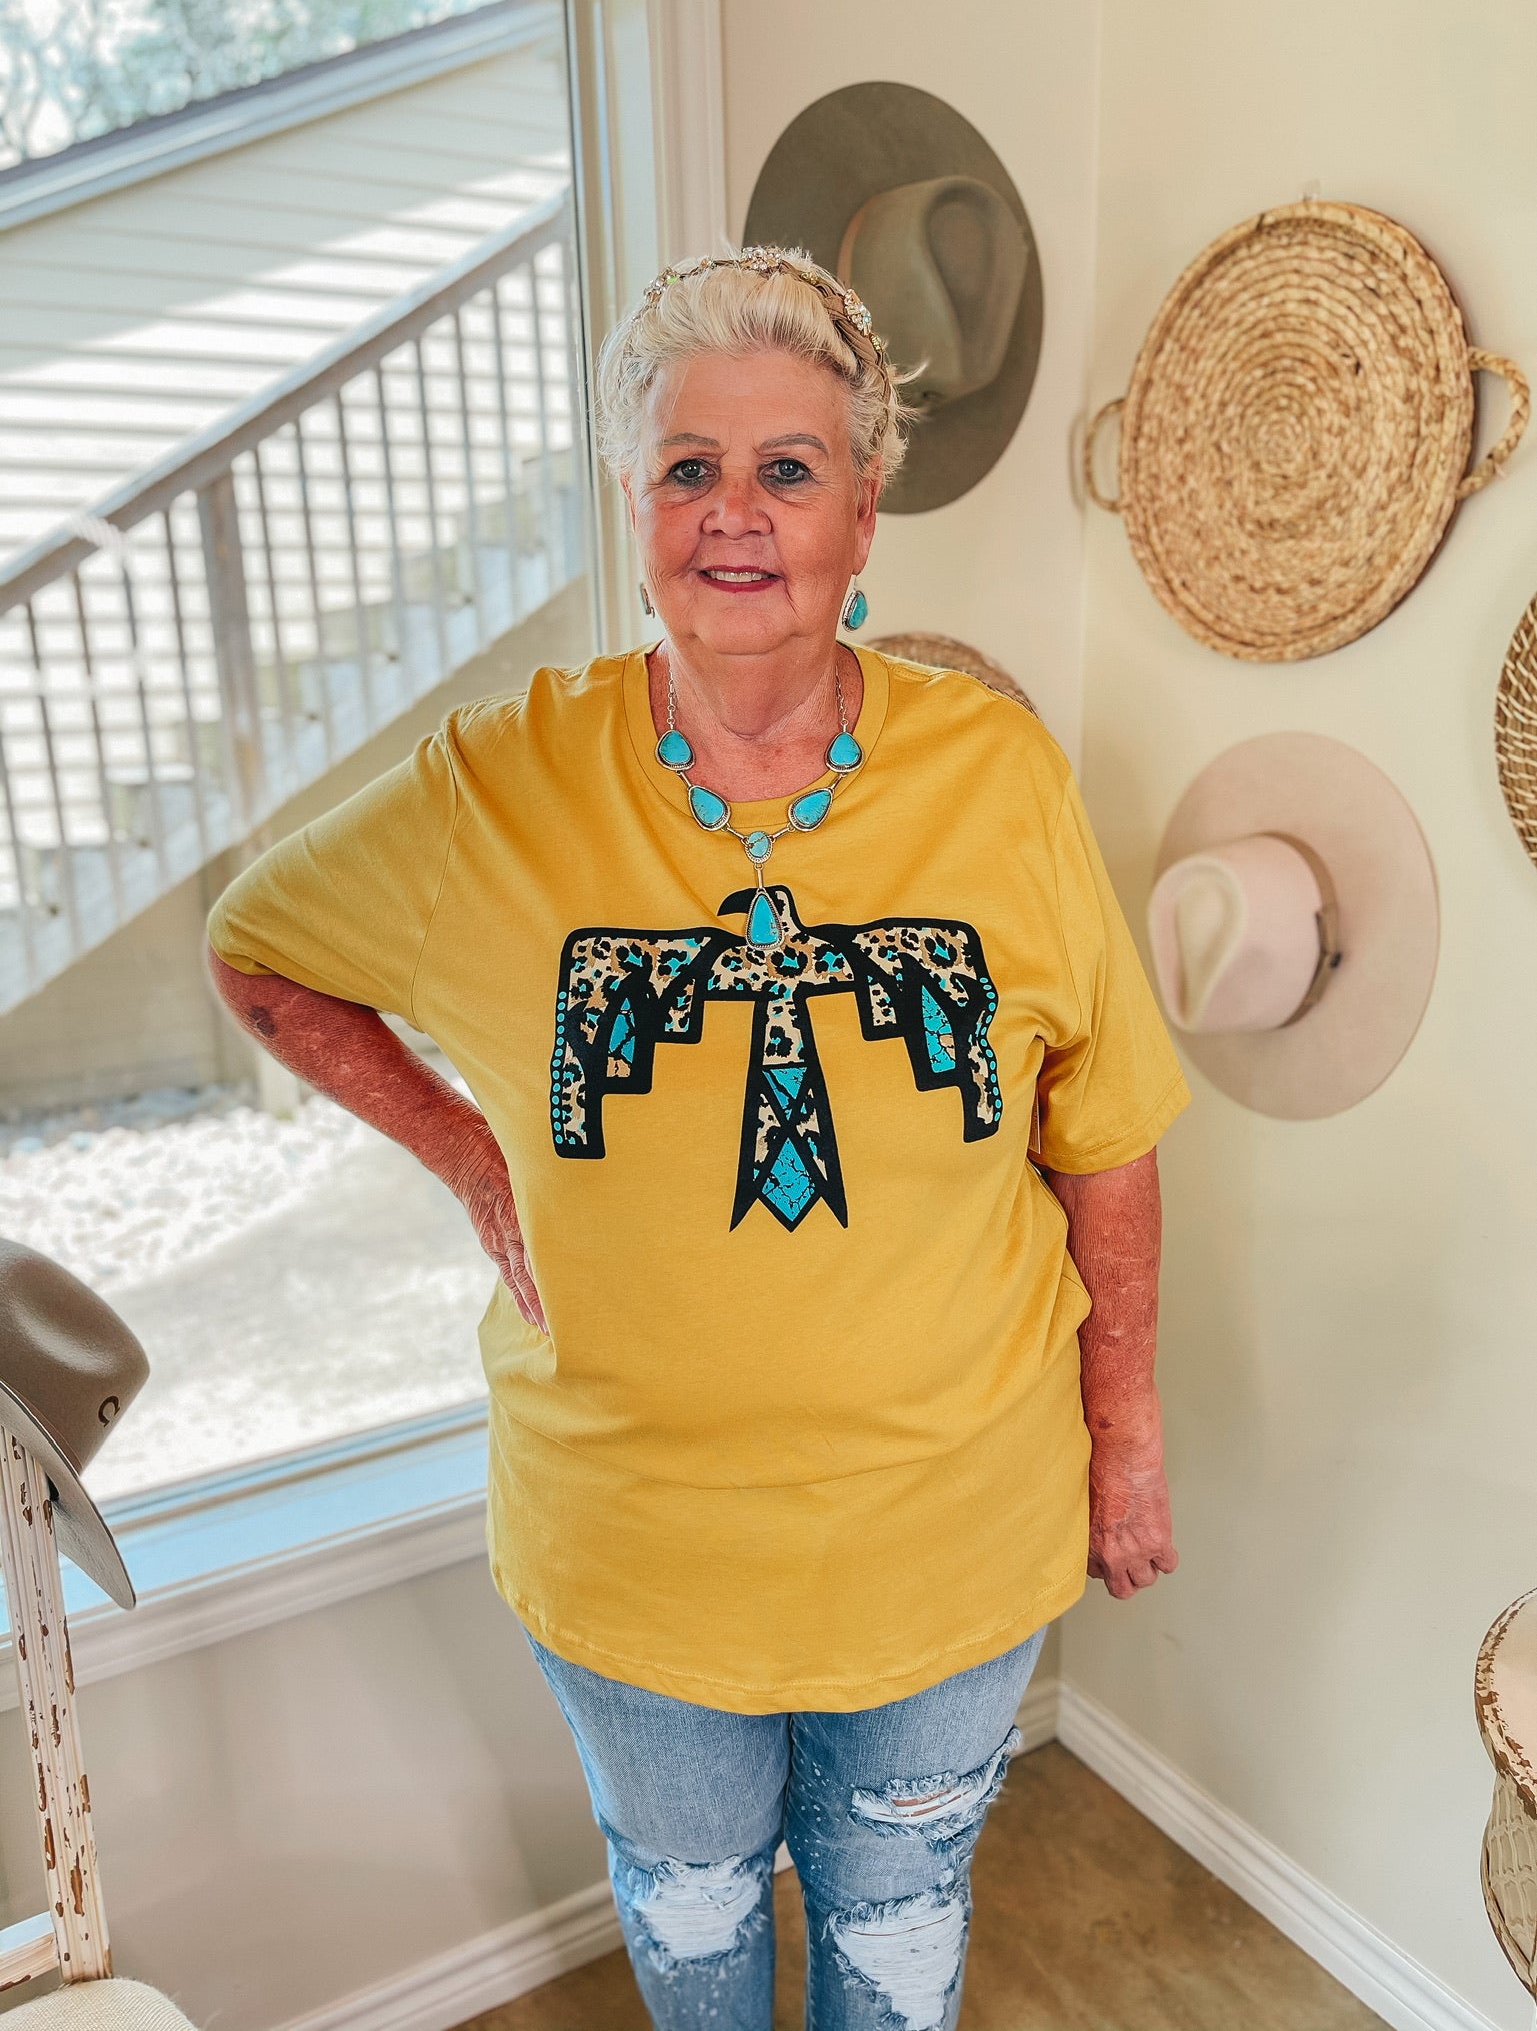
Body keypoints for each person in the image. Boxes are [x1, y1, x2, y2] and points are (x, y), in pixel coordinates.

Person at [206, 246, 1189, 2031]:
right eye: (687, 467)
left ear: (862, 515)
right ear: (634, 504)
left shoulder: (997, 778)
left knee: (898, 1922)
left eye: (786, 469)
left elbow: (1105, 1134)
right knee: (696, 1929)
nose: (734, 512)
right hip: (635, 1554)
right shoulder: (497, 786)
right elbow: (258, 950)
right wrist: (469, 1153)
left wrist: (1123, 1439)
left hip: (951, 1527)